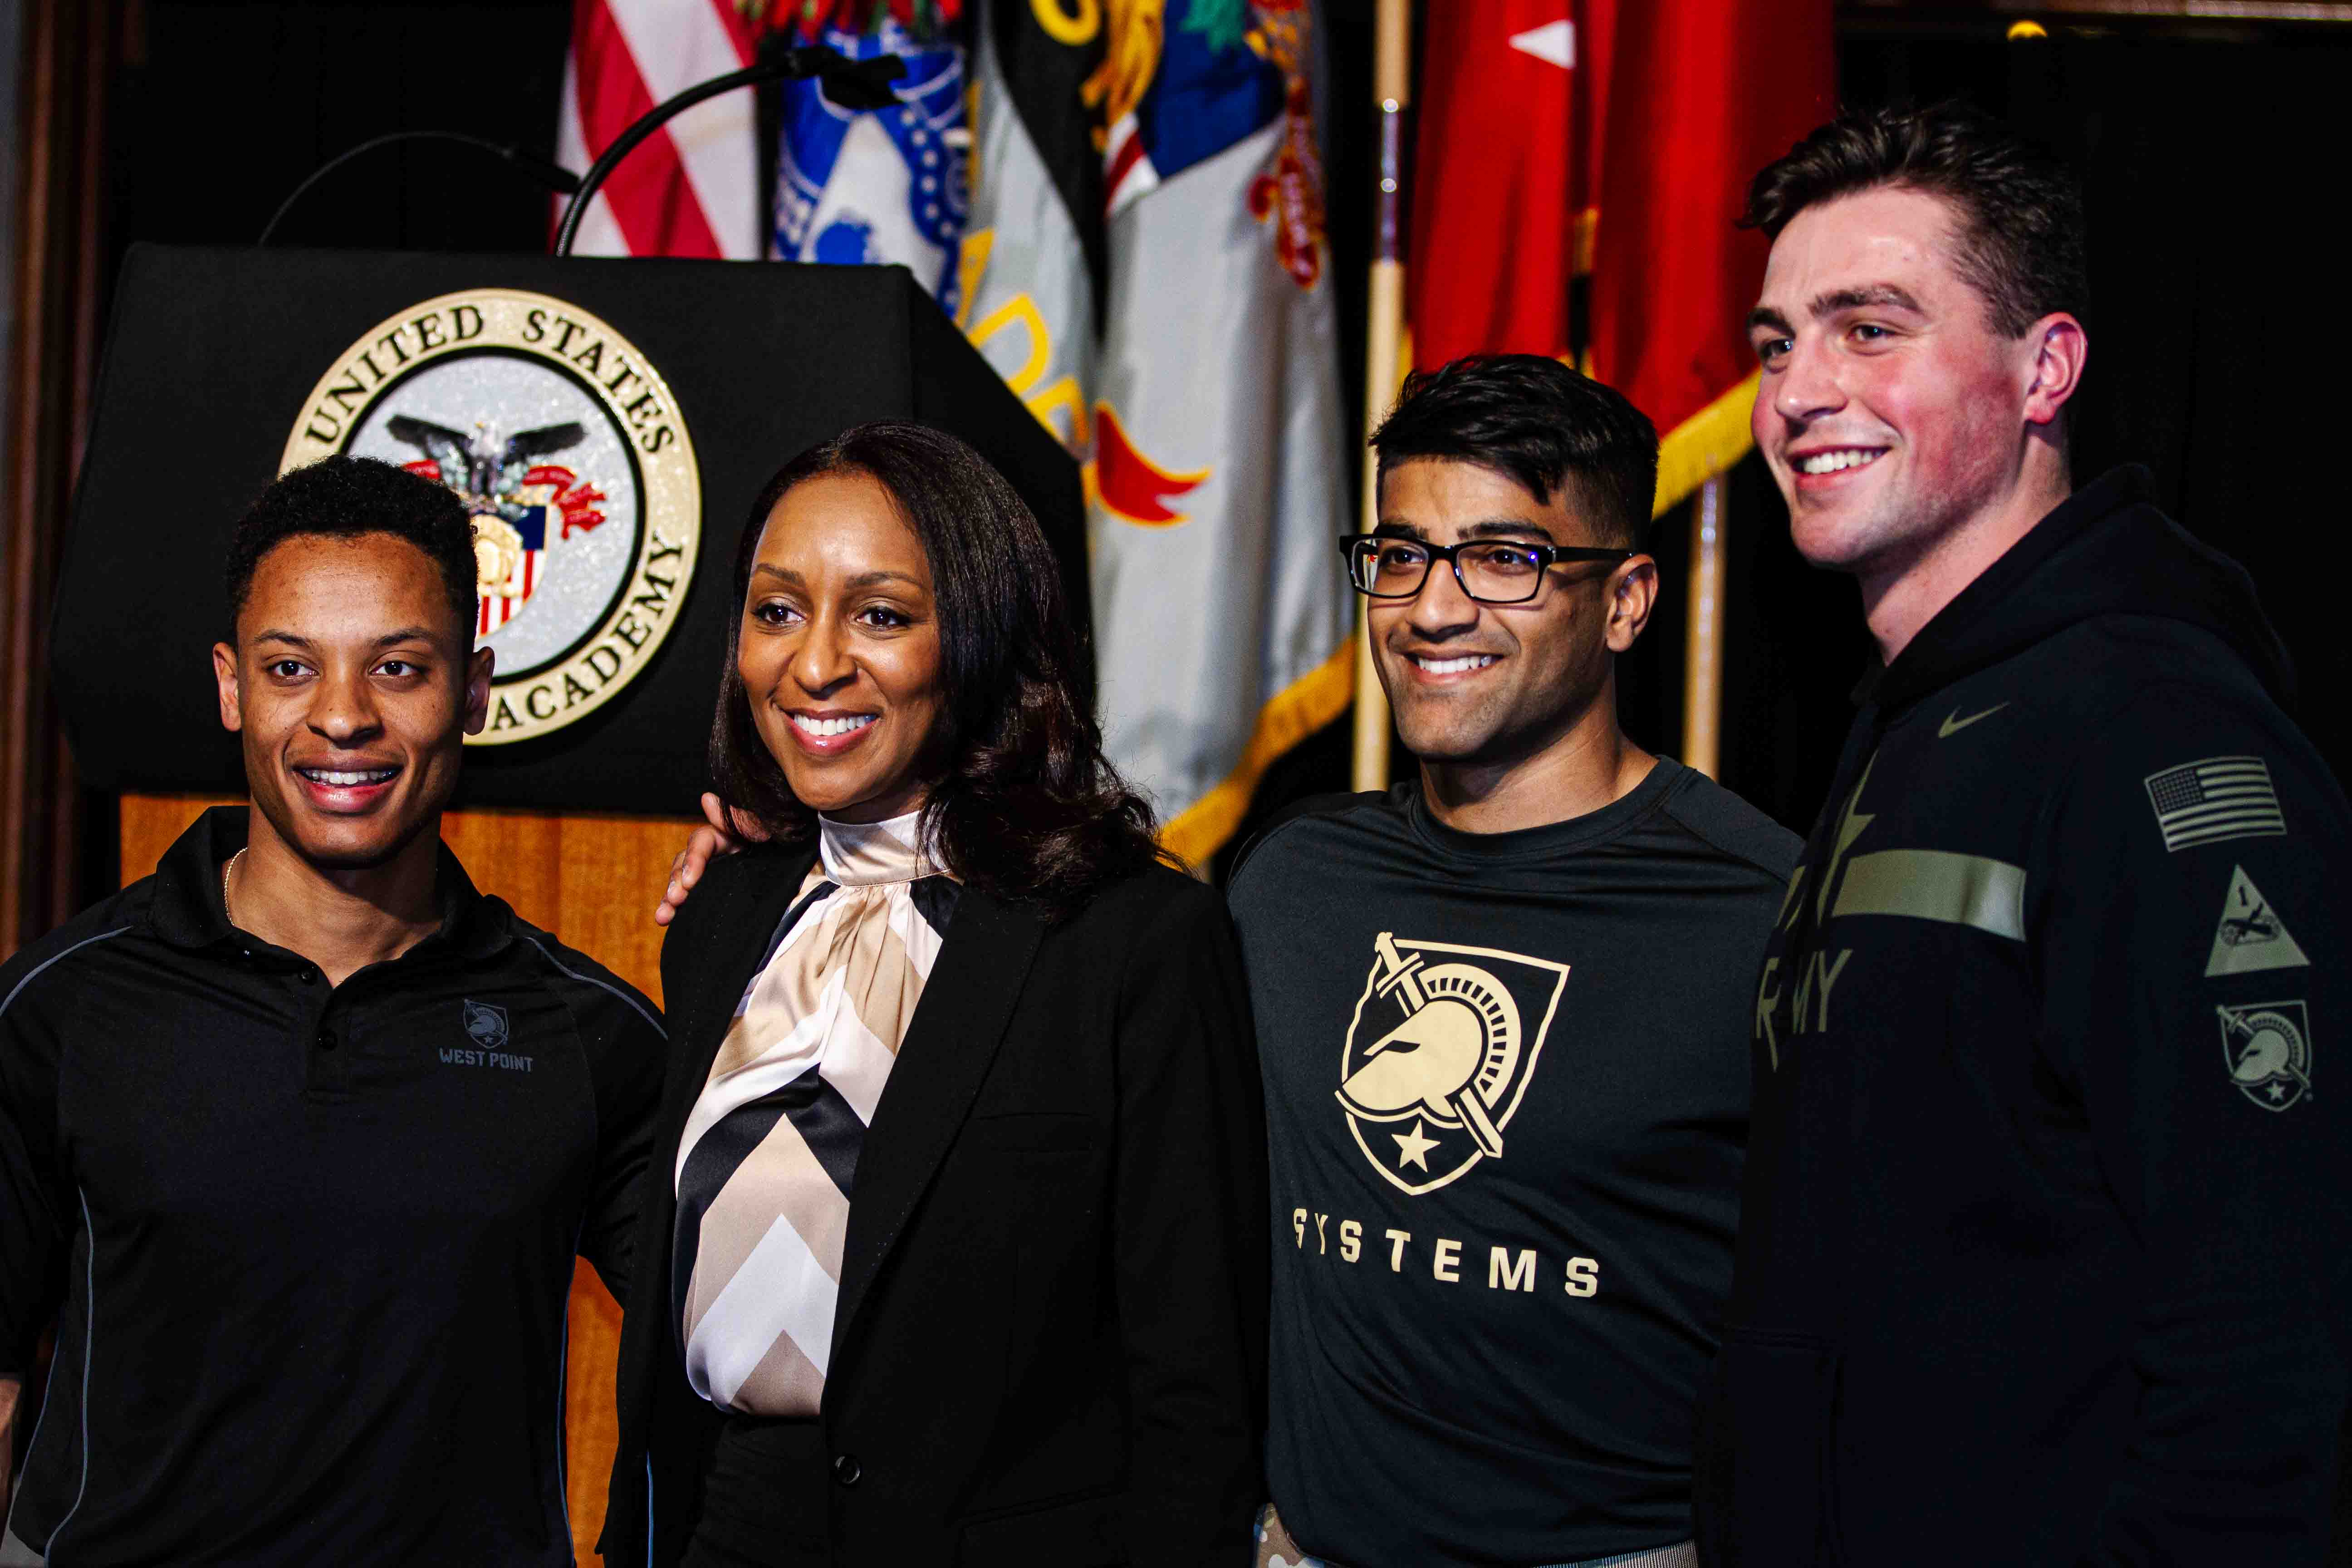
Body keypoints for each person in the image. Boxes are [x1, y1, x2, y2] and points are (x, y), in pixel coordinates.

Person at [1697, 103, 2351, 1565]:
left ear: (2045, 368)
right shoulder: (1913, 720)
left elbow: (2262, 1336)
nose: (1801, 392)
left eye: (1871, 329)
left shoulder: (2155, 731)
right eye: (1777, 343)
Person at [598, 421, 1265, 1568]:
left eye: (881, 615)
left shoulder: (1135, 940)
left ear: (984, 636)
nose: (815, 665)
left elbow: (1196, 1389)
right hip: (725, 1532)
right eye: (777, 610)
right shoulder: (725, 911)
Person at [0, 456, 666, 1565]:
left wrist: (780, 906)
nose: (343, 716)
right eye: (291, 668)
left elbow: (747, 1352)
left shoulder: (590, 1037)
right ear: (232, 688)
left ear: (474, 690)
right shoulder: (61, 1005)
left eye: (398, 668)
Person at [1230, 356, 1798, 1568]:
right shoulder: (1288, 884)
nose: (1432, 610)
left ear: (1626, 601)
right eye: (1400, 555)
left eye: (1504, 558)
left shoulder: (1766, 908)